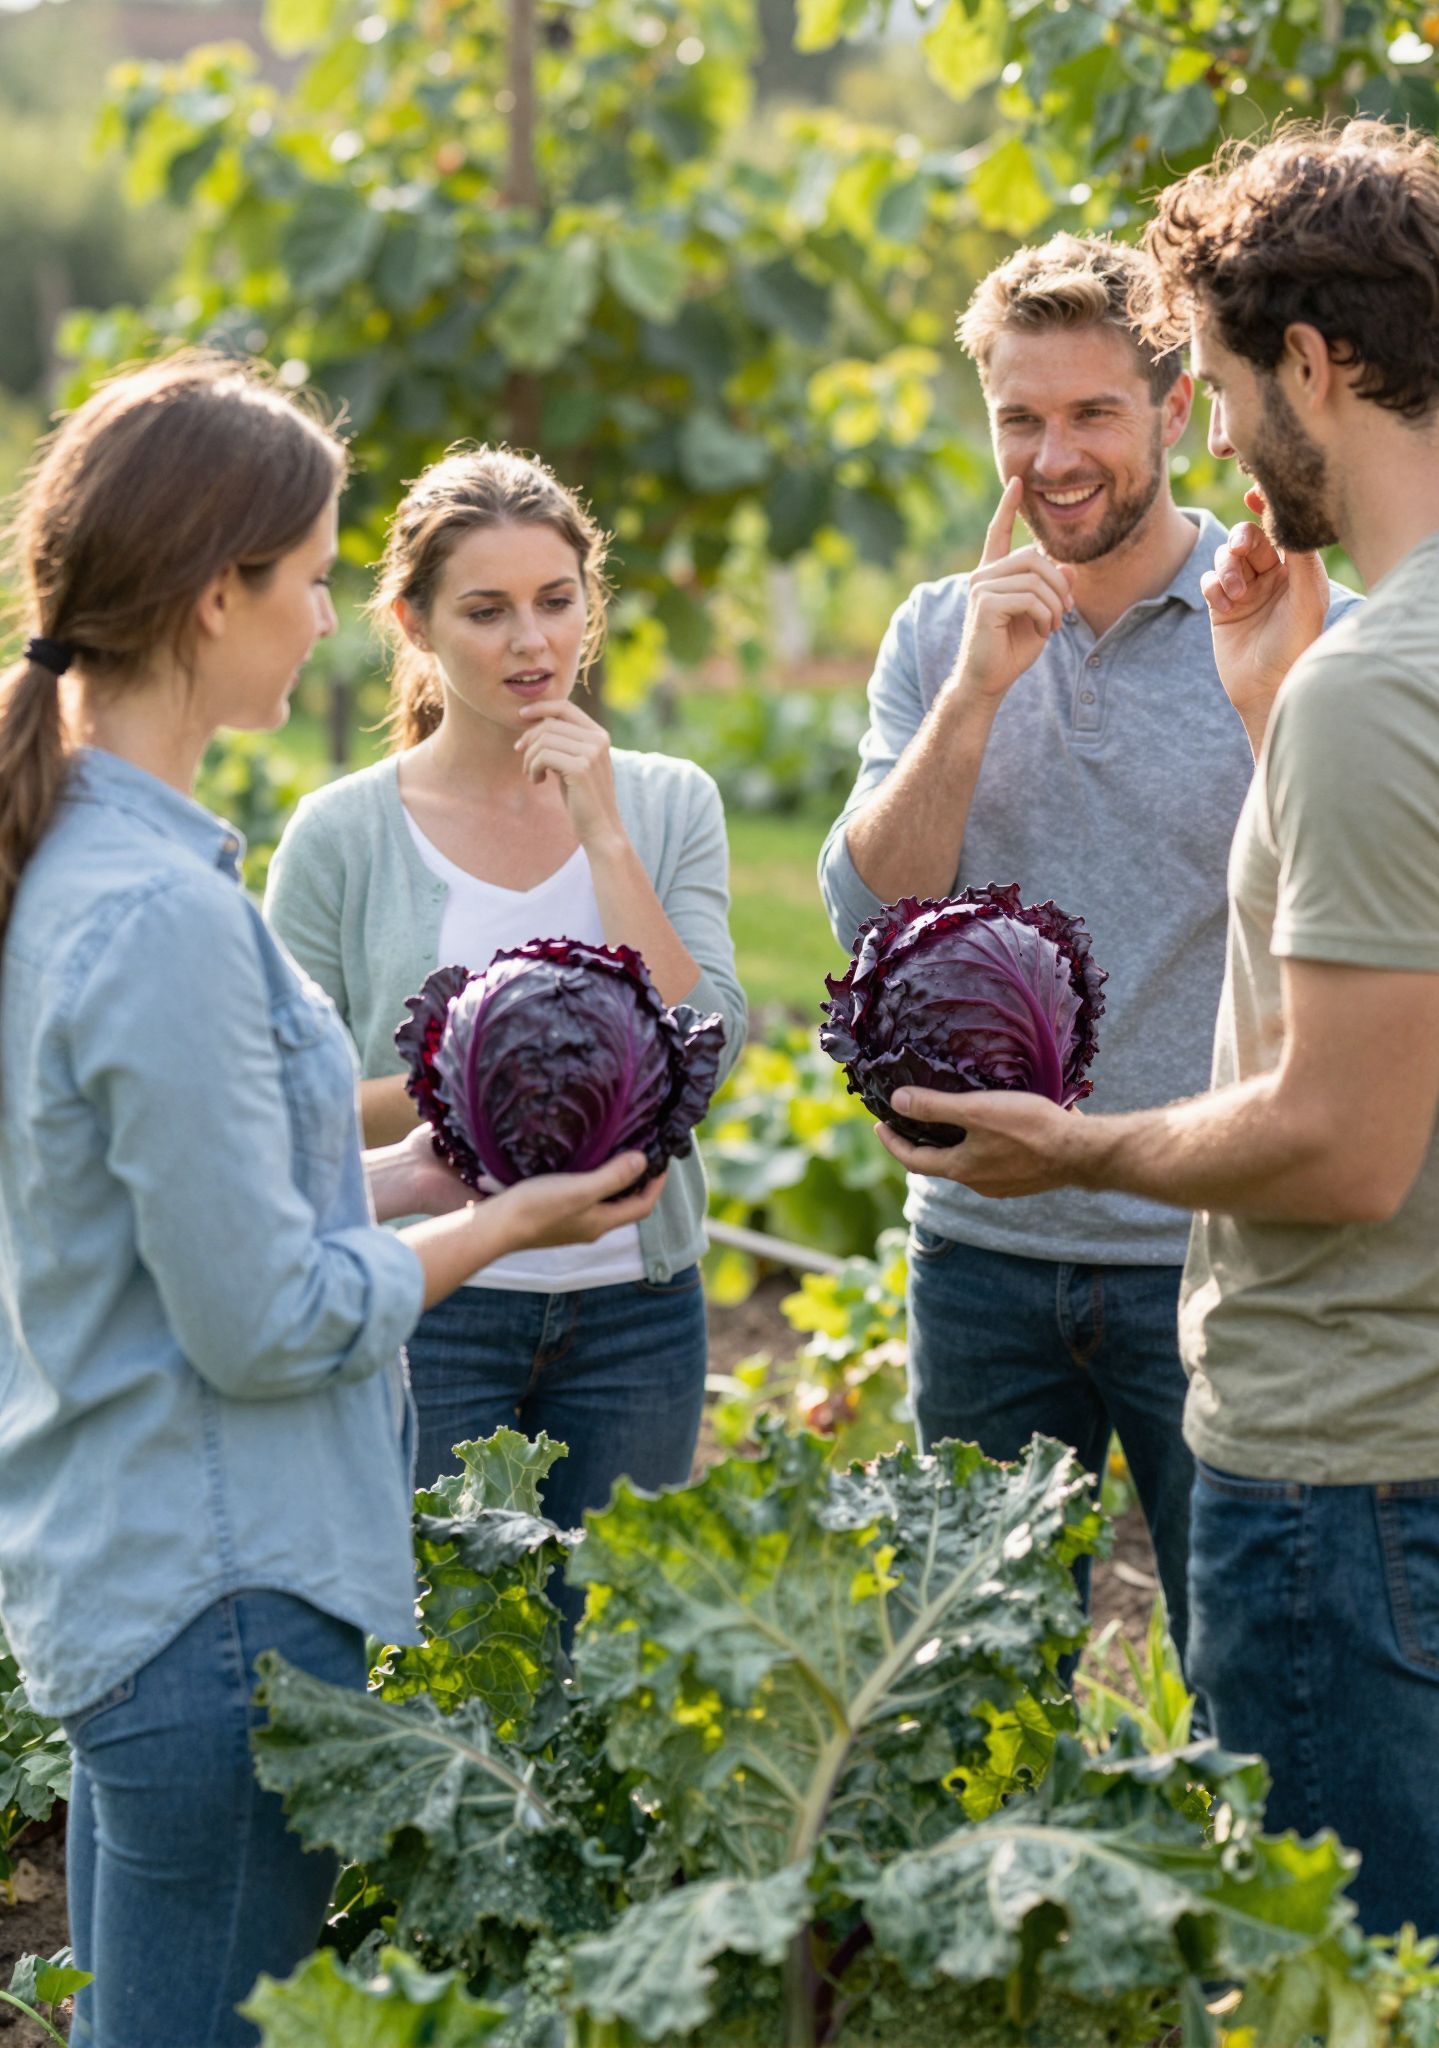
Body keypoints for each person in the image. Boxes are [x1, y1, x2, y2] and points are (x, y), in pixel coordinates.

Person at [876, 120, 1439, 1971]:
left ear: (1310, 367)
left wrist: (1069, 1143)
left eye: (1227, 388)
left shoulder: (1384, 684)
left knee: (1349, 1989)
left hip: (1348, 1451)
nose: (1230, 438)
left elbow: (1340, 1145)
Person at [0, 354, 668, 2048]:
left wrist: (428, 1165)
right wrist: (499, 1230)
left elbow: (205, 1212)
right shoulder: (153, 910)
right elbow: (267, 1316)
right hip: (214, 1593)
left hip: (157, 1565)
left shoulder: (88, 857)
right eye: (305, 582)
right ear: (217, 594)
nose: (320, 622)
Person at [818, 232, 1352, 1669]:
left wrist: (1271, 701)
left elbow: (1345, 918)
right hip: (982, 1252)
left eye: (1092, 414)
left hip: (1209, 1253)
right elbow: (868, 914)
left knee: (1243, 1674)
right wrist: (975, 696)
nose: (1054, 457)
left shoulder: (1303, 625)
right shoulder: (942, 632)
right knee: (972, 1687)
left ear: (1178, 411)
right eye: (1020, 419)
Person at [266, 448, 746, 1529]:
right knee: (433, 1648)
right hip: (430, 1303)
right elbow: (283, 1109)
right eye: (485, 610)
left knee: (615, 1655)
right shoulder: (340, 835)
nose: (532, 642)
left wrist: (603, 835)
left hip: (638, 1306)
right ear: (413, 621)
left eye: (556, 601)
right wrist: (489, 1063)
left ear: (591, 602)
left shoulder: (669, 803)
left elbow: (709, 1046)